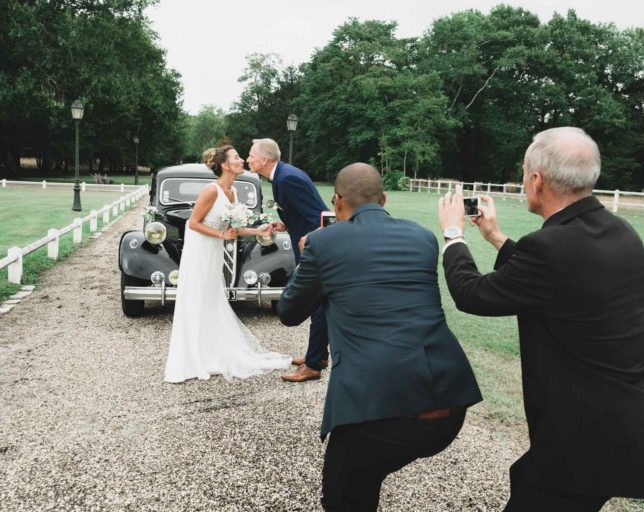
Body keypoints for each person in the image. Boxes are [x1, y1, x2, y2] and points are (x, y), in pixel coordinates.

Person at [438, 127, 644, 511]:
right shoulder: (620, 233)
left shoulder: (549, 248)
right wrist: (496, 238)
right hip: (627, 424)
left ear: (536, 180)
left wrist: (453, 235)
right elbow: (559, 280)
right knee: (526, 481)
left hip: (583, 440)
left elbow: (472, 294)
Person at [277, 163, 483, 511]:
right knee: (368, 473)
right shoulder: (422, 237)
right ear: (384, 199)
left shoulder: (323, 243)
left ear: (337, 201)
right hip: (449, 401)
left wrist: (309, 258)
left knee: (343, 497)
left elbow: (289, 313)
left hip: (378, 407)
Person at [163, 145, 291, 383]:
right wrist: (221, 236)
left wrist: (256, 230)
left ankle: (209, 351)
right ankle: (191, 357)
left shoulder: (232, 192)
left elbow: (232, 227)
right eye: (236, 157)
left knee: (211, 297)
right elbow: (193, 223)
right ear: (224, 165)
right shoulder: (211, 190)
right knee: (197, 297)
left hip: (214, 251)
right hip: (200, 250)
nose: (241, 160)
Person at [247, 138, 329, 382]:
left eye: (251, 154)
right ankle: (318, 355)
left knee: (317, 303)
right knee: (318, 303)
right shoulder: (280, 176)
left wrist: (310, 243)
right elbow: (302, 212)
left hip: (315, 250)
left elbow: (320, 217)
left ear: (264, 160)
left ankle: (314, 365)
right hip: (308, 245)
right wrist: (286, 224)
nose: (248, 158)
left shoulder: (287, 178)